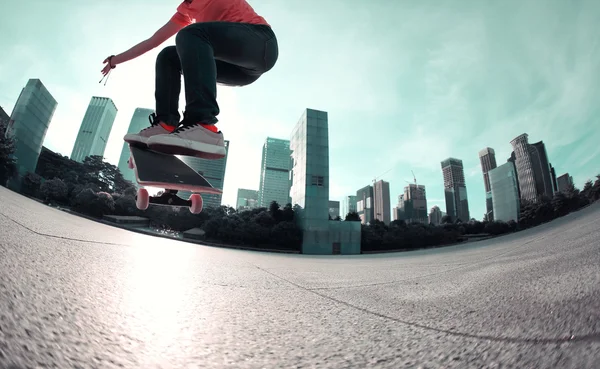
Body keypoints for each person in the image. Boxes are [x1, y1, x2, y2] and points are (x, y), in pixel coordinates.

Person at [101, 0, 278, 159]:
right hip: (238, 71)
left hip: (260, 44)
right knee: (168, 56)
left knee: (191, 34)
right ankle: (166, 124)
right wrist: (114, 61)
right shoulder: (185, 12)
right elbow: (151, 42)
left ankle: (203, 124)